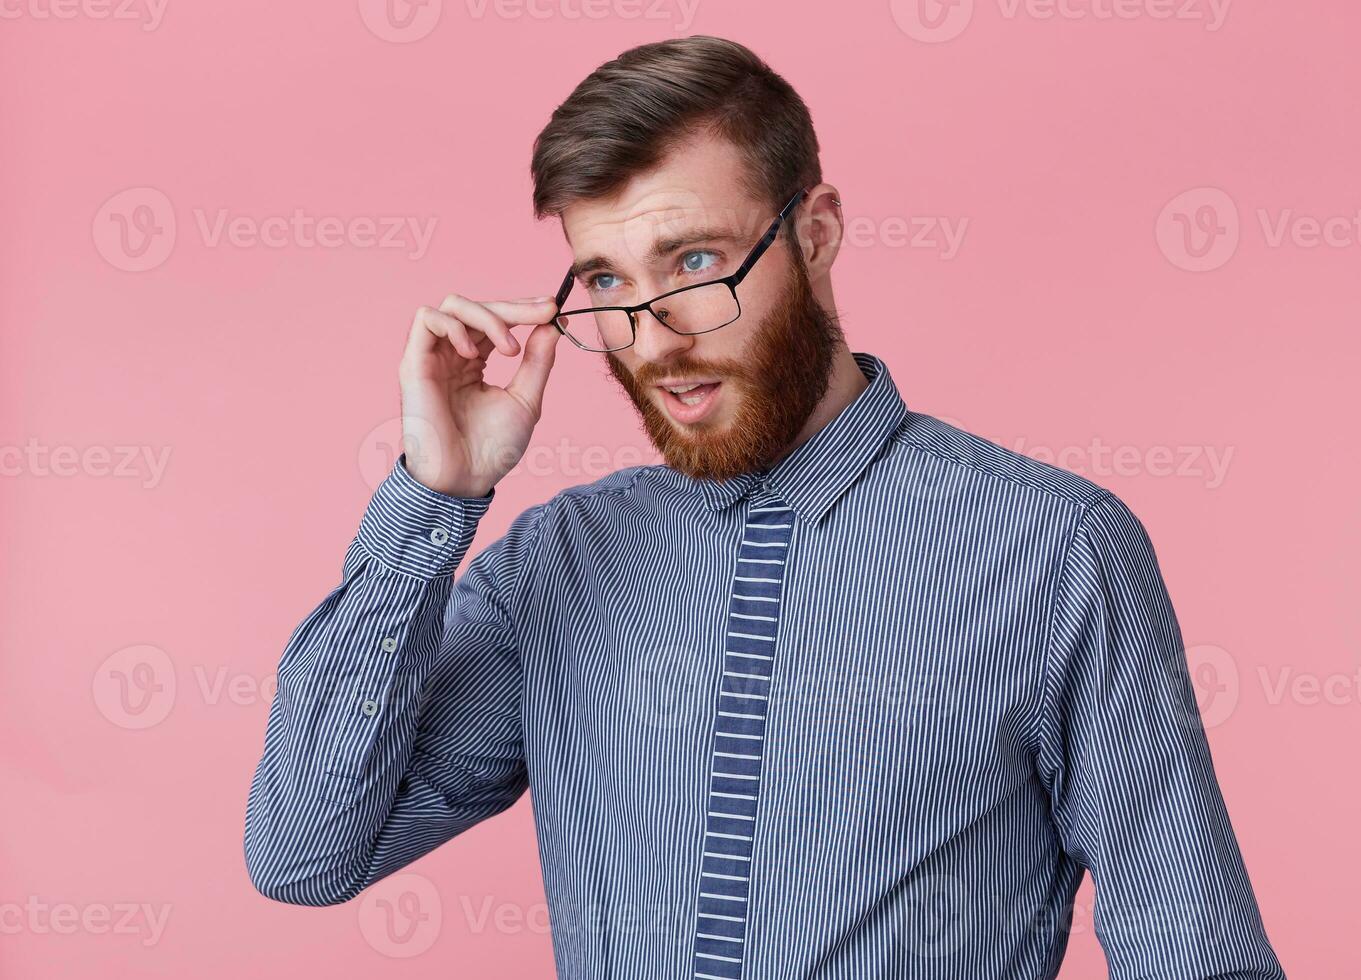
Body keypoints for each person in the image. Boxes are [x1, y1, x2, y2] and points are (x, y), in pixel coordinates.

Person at [244, 34, 1286, 980]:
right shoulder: (558, 562)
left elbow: (1194, 948)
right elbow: (306, 850)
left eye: (695, 263)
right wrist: (436, 494)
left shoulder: (1056, 550)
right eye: (606, 282)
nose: (653, 339)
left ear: (817, 232)